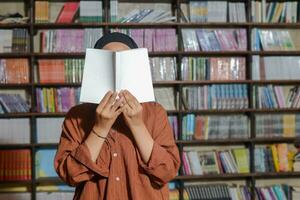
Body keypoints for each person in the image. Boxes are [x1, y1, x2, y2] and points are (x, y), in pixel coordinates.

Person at [54, 32, 181, 200]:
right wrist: (101, 127)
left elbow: (167, 171)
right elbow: (69, 174)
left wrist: (137, 125)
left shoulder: (155, 112)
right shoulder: (77, 116)